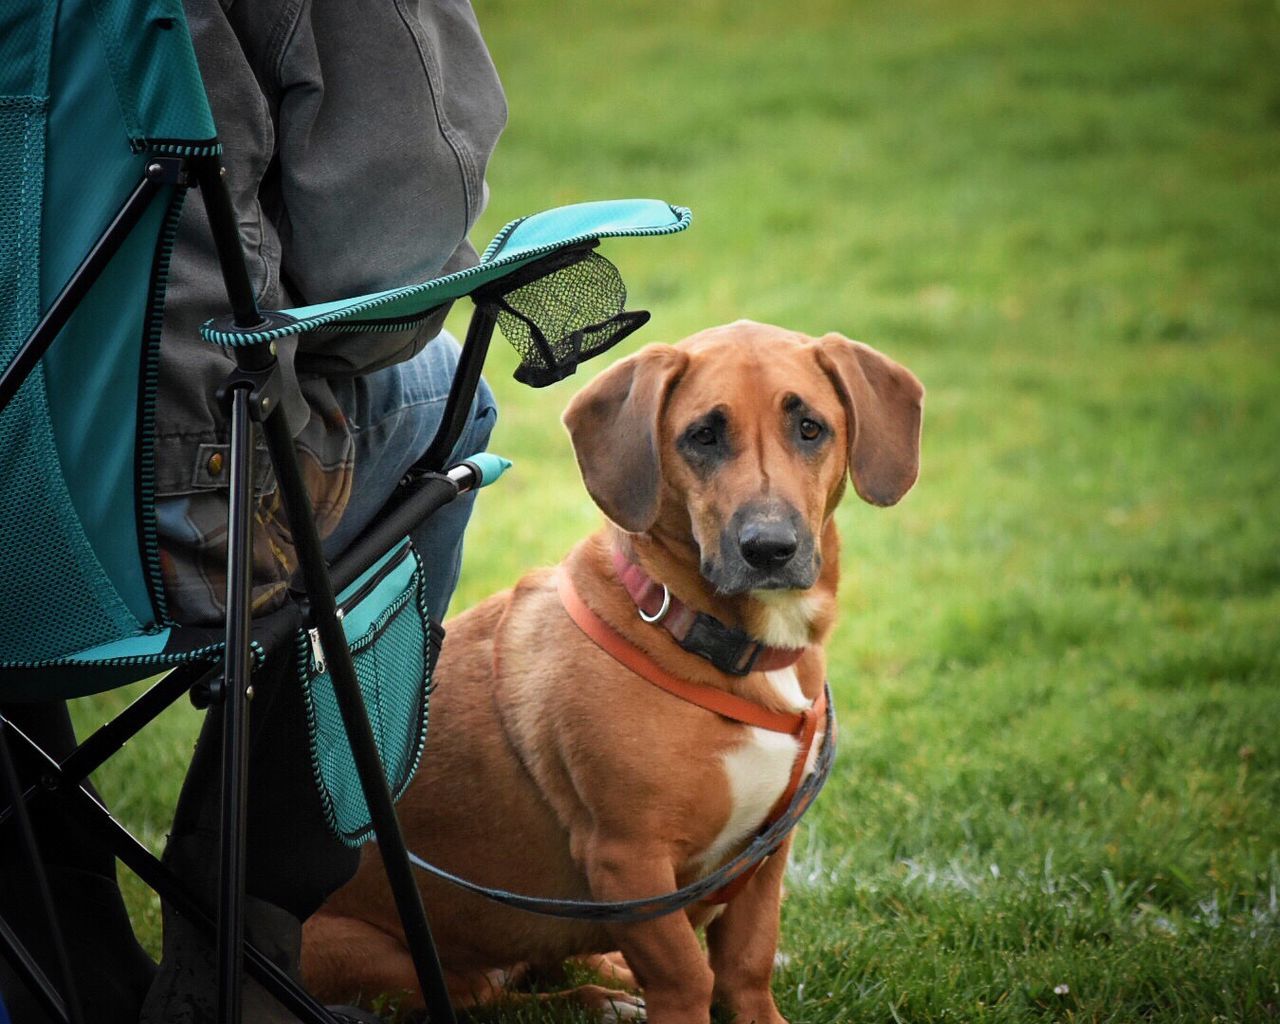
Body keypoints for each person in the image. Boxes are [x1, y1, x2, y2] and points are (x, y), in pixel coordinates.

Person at [0, 0, 506, 1021]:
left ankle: (53, 965)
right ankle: (241, 960)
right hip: (150, 528)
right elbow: (390, 264)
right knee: (449, 404)